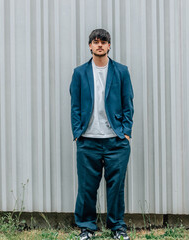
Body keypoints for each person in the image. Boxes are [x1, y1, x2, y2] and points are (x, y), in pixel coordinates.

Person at [70, 29, 134, 240]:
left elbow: (128, 103)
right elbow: (75, 106)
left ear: (109, 46)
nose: (99, 45)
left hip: (116, 141)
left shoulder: (121, 71)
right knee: (87, 187)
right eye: (95, 42)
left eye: (103, 42)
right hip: (88, 141)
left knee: (116, 188)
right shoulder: (80, 73)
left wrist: (126, 132)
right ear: (89, 46)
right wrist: (78, 132)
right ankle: (86, 227)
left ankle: (117, 227)